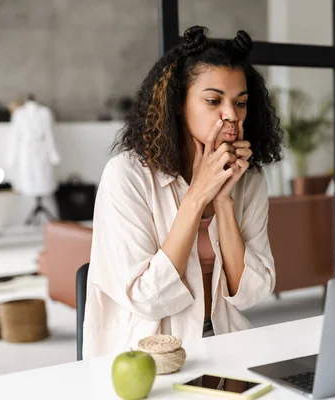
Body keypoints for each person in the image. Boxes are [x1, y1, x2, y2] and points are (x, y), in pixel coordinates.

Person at [82, 26, 284, 359]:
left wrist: (222, 202)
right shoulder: (127, 176)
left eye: (241, 102)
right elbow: (146, 298)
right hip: (149, 353)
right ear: (178, 103)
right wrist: (197, 197)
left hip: (226, 341)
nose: (231, 115)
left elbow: (251, 294)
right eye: (213, 100)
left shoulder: (248, 179)